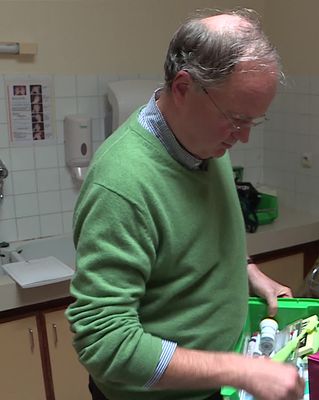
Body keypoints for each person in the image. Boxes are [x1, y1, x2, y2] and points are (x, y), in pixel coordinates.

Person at [66, 9, 304, 400]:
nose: (242, 136)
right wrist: (240, 370)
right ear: (183, 87)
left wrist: (247, 270)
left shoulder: (205, 139)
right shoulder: (122, 183)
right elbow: (103, 343)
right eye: (235, 118)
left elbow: (192, 235)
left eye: (253, 121)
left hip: (211, 384)